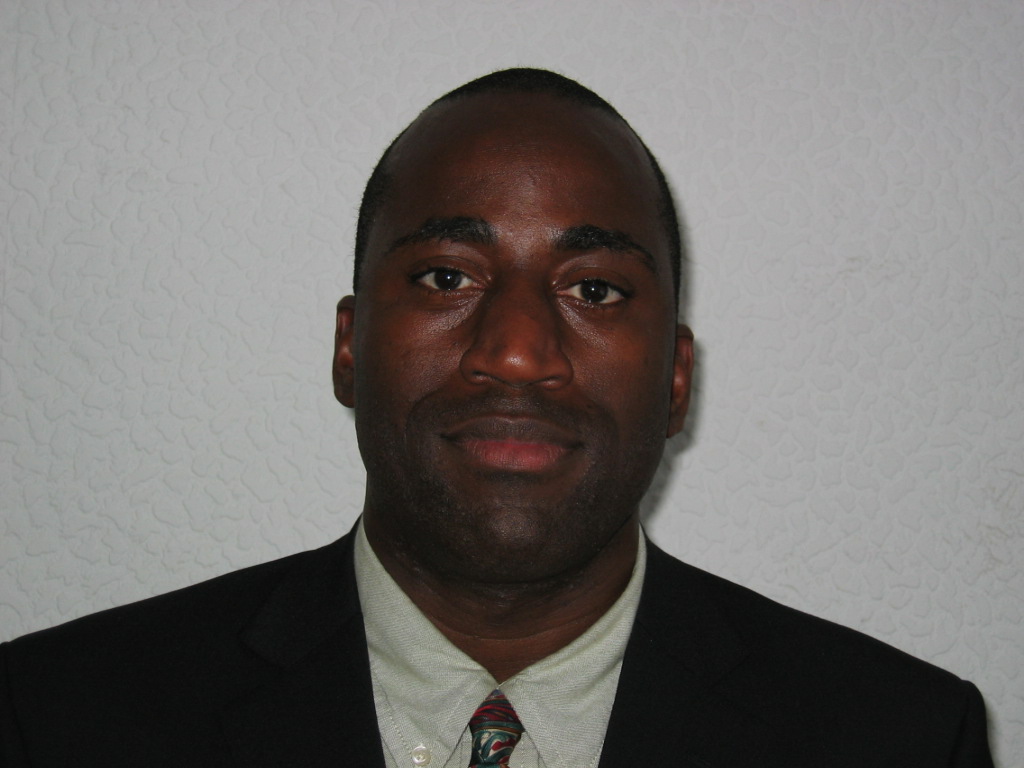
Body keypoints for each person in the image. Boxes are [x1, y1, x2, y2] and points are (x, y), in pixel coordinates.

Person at [0, 68, 994, 767]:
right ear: (349, 346)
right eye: (447, 277)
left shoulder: (899, 739)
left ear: (676, 379)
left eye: (594, 289)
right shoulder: (56, 723)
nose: (516, 353)